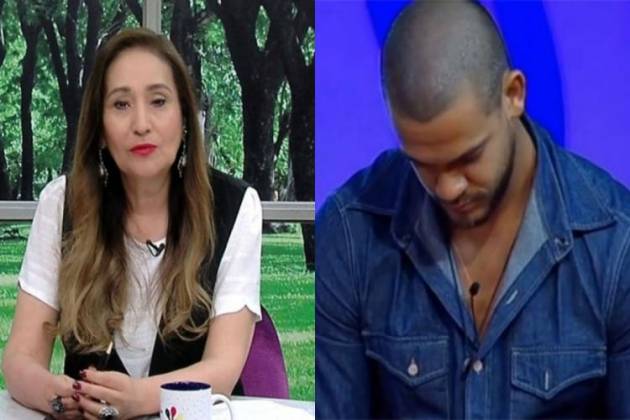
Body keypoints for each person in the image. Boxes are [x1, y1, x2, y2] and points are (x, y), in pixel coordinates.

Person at [316, 1, 630, 418]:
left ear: (513, 94)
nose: (448, 188)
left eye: (468, 157)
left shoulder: (615, 242)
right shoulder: (351, 233)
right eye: (422, 164)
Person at [2, 28, 262, 419]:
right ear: (100, 127)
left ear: (184, 117)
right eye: (121, 104)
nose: (141, 123)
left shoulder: (235, 206)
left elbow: (222, 368)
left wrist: (138, 399)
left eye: (158, 101)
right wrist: (55, 395)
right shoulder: (62, 203)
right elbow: (20, 360)